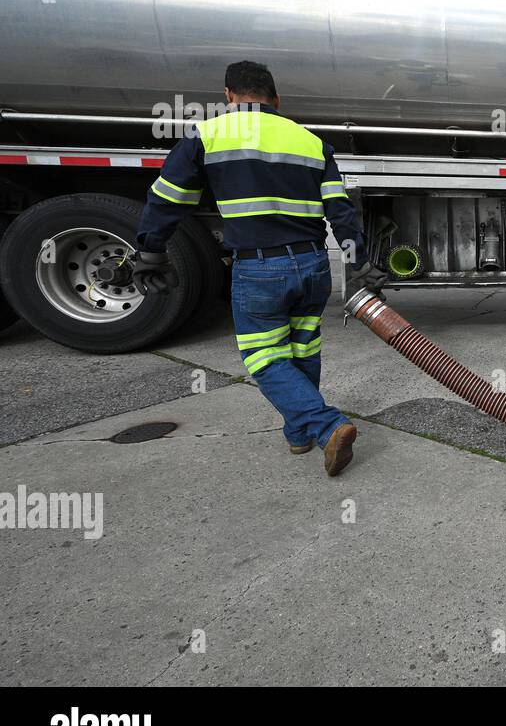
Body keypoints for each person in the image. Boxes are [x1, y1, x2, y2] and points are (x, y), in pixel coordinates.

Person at [134, 61, 387, 476]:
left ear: (229, 96)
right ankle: (299, 433)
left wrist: (150, 250)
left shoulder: (209, 134)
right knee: (302, 348)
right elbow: (340, 210)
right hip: (312, 264)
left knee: (265, 358)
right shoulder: (310, 142)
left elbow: (168, 198)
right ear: (276, 99)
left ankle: (327, 425)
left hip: (260, 269)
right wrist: (357, 261)